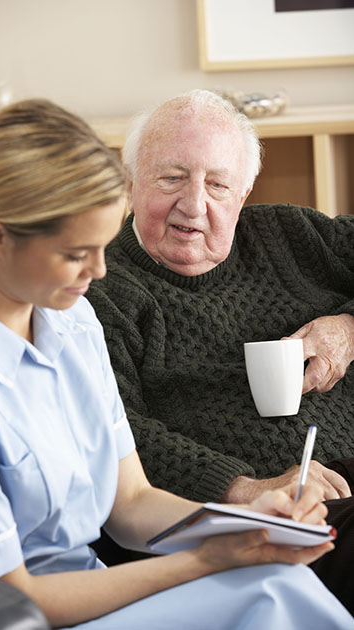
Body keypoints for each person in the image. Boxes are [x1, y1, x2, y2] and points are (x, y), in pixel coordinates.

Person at [0, 98, 351, 629]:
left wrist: (244, 521)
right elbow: (11, 601)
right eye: (77, 252)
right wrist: (208, 555)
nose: (101, 269)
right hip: (22, 613)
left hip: (93, 579)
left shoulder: (72, 320)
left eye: (104, 245)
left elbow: (131, 503)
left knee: (280, 586)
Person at [86, 89, 354, 613]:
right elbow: (115, 431)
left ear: (245, 190)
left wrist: (349, 328)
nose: (194, 204)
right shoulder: (101, 288)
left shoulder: (291, 235)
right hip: (260, 522)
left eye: (217, 184)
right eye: (171, 178)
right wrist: (244, 489)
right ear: (131, 182)